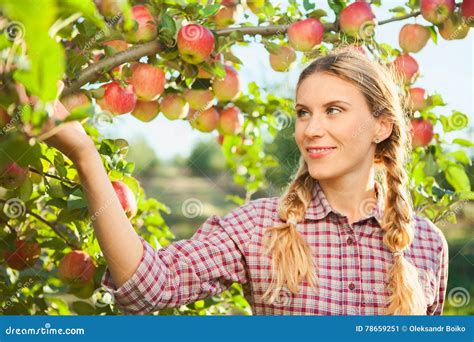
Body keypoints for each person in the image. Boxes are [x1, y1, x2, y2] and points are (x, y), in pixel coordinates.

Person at [45, 49, 448, 315]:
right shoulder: (260, 228)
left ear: (381, 126)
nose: (311, 129)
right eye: (304, 113)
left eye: (334, 110)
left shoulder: (428, 245)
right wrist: (85, 156)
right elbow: (148, 287)